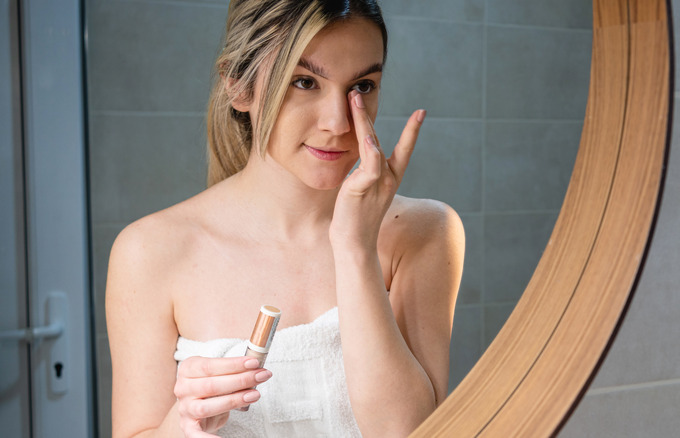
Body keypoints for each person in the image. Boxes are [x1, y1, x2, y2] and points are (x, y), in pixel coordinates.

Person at [106, 0, 465, 437]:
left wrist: (355, 249)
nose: (338, 122)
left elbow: (409, 431)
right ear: (240, 88)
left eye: (363, 86)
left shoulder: (424, 232)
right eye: (304, 81)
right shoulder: (149, 251)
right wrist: (185, 424)